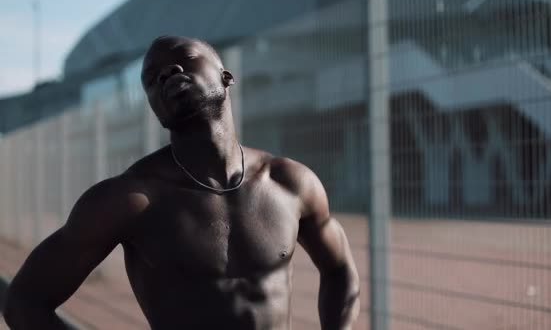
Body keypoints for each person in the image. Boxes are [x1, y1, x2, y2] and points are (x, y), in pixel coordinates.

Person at [4, 35, 360, 329]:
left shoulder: (290, 182)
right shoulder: (131, 199)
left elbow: (340, 268)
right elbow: (24, 301)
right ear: (154, 107)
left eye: (186, 59)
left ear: (226, 76)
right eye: (151, 78)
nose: (166, 73)